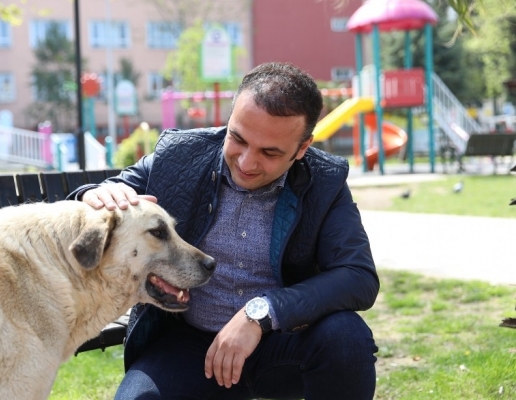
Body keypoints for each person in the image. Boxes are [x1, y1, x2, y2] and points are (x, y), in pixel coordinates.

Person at [69, 62, 379, 399]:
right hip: (188, 346)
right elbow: (107, 192)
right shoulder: (178, 155)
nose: (246, 162)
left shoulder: (325, 181)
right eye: (238, 138)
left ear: (302, 148)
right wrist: (91, 194)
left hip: (283, 345)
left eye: (269, 152)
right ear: (229, 121)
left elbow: (358, 275)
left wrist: (261, 314)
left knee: (346, 338)